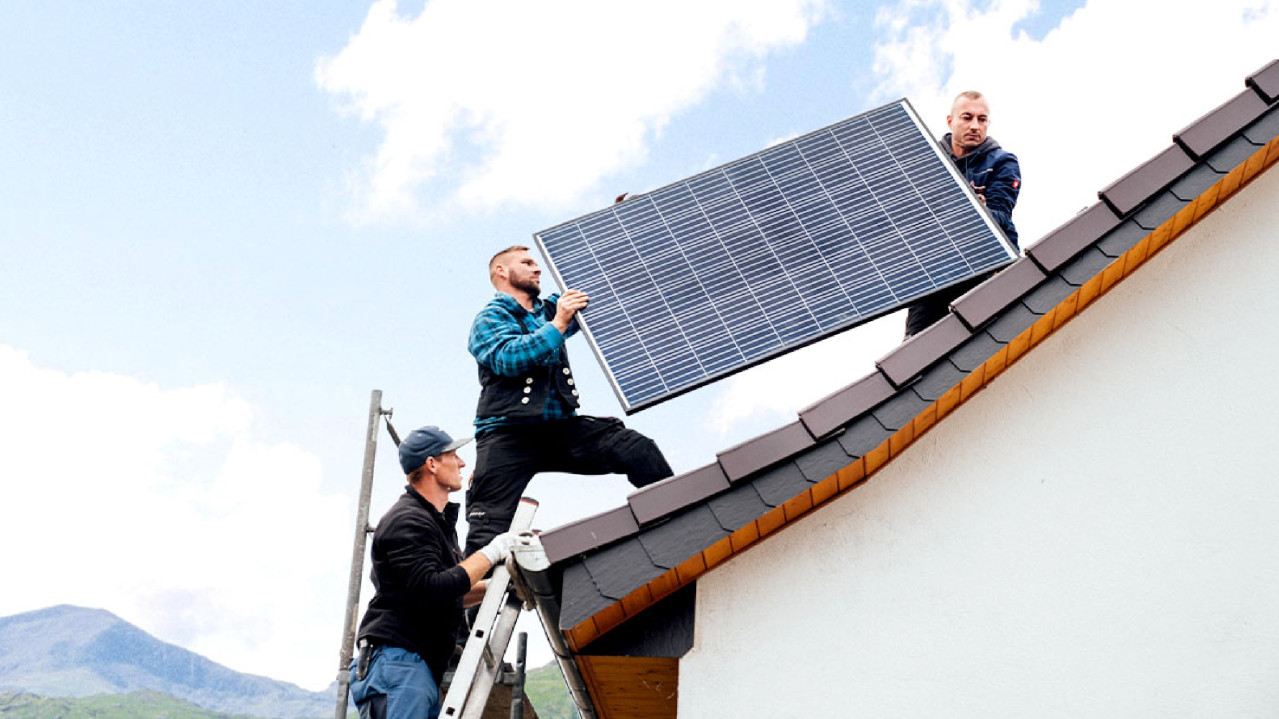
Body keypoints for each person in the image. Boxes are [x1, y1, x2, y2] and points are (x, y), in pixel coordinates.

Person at [463, 245, 673, 556]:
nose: (537, 269)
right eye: (527, 262)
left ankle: (679, 525)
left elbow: (590, 287)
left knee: (637, 449)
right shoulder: (489, 318)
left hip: (559, 428)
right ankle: (473, 602)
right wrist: (559, 323)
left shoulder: (548, 311)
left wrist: (612, 233)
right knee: (488, 530)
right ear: (501, 272)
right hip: (507, 435)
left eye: (536, 263)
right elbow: (510, 358)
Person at [349, 425, 519, 719]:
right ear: (432, 464)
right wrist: (493, 551)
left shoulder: (433, 524)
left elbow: (449, 591)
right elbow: (435, 587)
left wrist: (504, 586)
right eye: (454, 455)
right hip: (397, 664)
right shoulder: (407, 521)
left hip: (414, 667)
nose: (462, 463)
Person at [904, 90, 1022, 338]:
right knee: (915, 351)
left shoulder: (1003, 162)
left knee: (984, 342)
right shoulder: (926, 161)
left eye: (982, 119)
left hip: (984, 266)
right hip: (933, 269)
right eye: (967, 118)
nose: (974, 126)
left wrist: (980, 212)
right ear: (951, 121)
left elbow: (1001, 217)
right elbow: (910, 218)